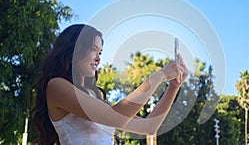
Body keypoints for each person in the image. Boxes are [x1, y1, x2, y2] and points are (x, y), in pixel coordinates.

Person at [30, 24, 188, 145]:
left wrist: (173, 86)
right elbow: (117, 117)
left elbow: (148, 127)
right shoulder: (56, 86)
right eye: (93, 49)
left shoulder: (93, 98)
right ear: (73, 50)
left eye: (100, 52)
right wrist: (158, 76)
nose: (98, 59)